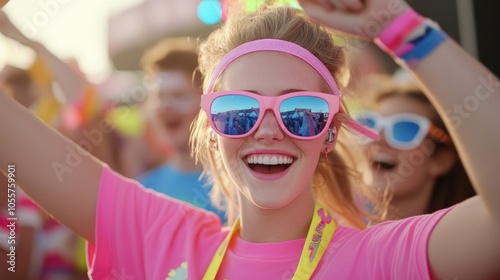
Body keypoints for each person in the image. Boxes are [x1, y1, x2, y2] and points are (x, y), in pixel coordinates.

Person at [0, 1, 499, 279]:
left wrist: (403, 28)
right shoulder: (160, 238)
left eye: (300, 113)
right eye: (237, 111)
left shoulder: (380, 260)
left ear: (330, 132)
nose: (267, 128)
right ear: (211, 131)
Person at [353, 78, 476, 220]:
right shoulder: (330, 226)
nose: (379, 139)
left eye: (405, 130)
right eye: (370, 123)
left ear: (441, 160)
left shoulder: (463, 237)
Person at [138, 37, 226, 223]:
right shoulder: (143, 191)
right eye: (158, 97)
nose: (165, 106)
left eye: (178, 96)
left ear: (207, 104)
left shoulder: (239, 185)